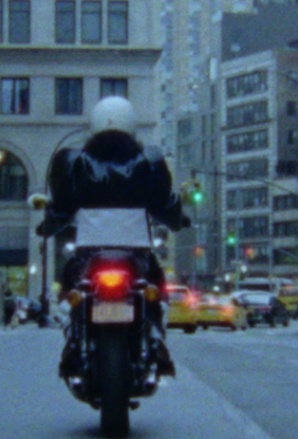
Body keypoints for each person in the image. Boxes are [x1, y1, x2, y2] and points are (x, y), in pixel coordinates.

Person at [37, 96, 191, 377]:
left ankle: (72, 338)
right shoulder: (151, 160)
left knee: (69, 289)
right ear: (131, 126)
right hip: (136, 253)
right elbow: (165, 207)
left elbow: (60, 209)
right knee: (157, 289)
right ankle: (156, 338)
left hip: (88, 253)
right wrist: (179, 219)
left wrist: (45, 226)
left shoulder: (72, 161)